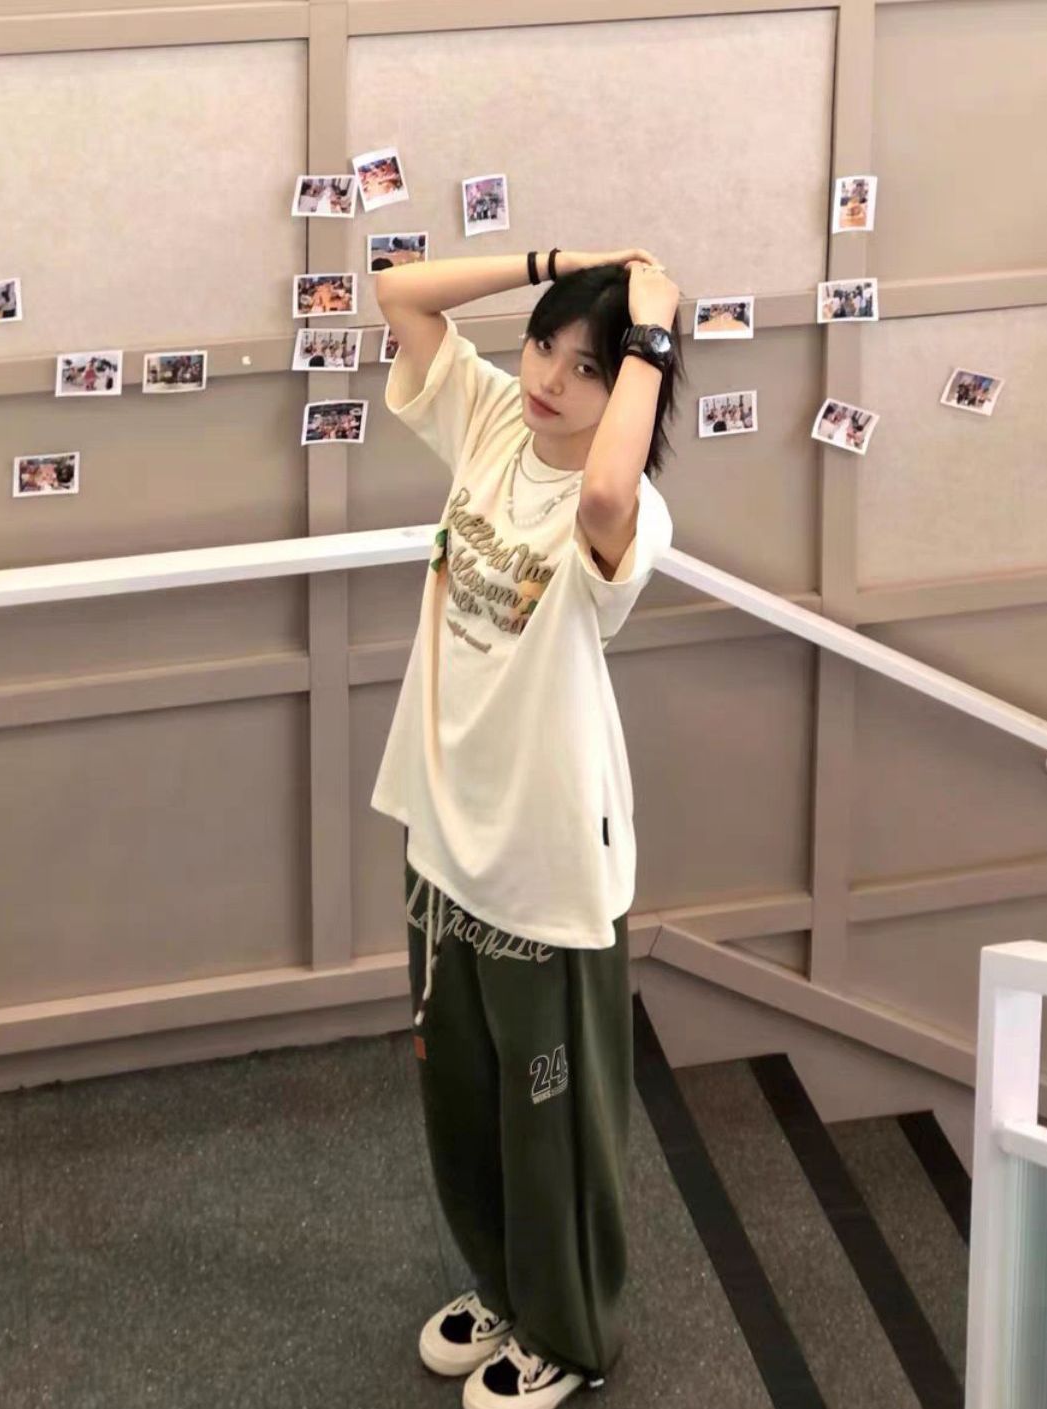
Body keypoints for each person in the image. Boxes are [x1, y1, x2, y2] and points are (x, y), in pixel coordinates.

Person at [370, 247, 684, 1409]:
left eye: (587, 367)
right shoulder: (496, 419)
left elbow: (600, 498)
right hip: (442, 829)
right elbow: (398, 290)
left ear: (629, 381)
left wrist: (653, 330)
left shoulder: (627, 508)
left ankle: (570, 1327)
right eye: (544, 344)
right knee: (461, 1094)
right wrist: (557, 261)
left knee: (552, 1117)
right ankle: (505, 1286)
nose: (550, 377)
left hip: (543, 858)